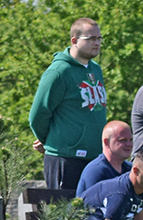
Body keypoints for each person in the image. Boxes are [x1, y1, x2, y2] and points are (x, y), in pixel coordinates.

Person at [29, 17, 107, 190]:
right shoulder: (58, 72)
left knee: (93, 215)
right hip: (66, 159)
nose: (97, 43)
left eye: (99, 38)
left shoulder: (95, 69)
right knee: (66, 216)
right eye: (91, 39)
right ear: (74, 40)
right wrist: (49, 140)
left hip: (95, 157)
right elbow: (38, 115)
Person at [76, 120, 133, 195]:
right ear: (106, 142)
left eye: (131, 140)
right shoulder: (96, 171)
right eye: (122, 140)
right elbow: (91, 204)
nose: (129, 144)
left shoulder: (130, 169)